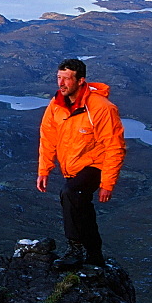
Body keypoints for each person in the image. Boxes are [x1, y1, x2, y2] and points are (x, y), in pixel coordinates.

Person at [37, 58, 125, 270]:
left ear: (81, 80)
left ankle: (75, 249)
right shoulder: (57, 104)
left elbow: (115, 147)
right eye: (59, 78)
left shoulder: (102, 108)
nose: (61, 83)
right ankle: (94, 255)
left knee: (70, 193)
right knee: (82, 207)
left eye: (66, 79)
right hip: (72, 167)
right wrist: (44, 169)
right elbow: (47, 137)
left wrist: (107, 184)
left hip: (96, 164)